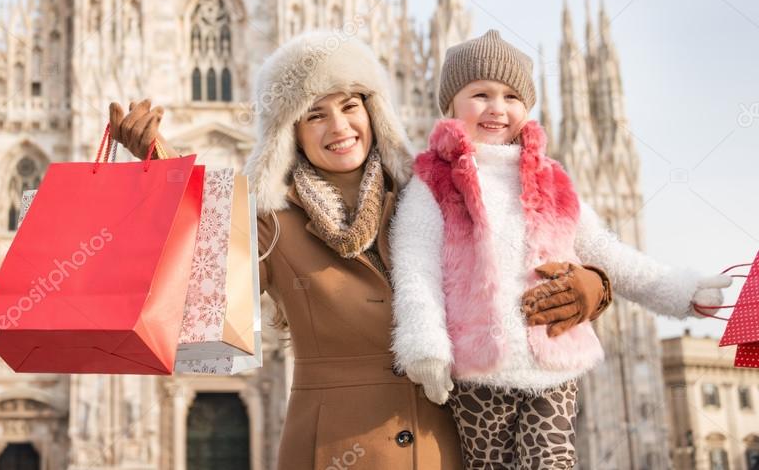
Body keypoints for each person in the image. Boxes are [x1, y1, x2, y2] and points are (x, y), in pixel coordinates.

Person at [108, 30, 612, 469]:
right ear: (291, 134)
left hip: (447, 446)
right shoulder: (274, 224)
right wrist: (162, 166)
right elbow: (208, 267)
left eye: (350, 106)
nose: (339, 127)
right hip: (333, 447)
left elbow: (527, 243)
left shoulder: (433, 198)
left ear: (372, 112)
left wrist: (596, 285)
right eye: (314, 115)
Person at [390, 29, 732, 468]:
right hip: (479, 374)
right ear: (450, 104)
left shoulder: (549, 180)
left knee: (552, 460)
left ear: (527, 109)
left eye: (512, 96)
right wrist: (425, 345)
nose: (497, 108)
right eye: (480, 93)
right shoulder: (434, 182)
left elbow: (606, 253)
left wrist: (680, 291)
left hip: (555, 365)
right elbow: (416, 268)